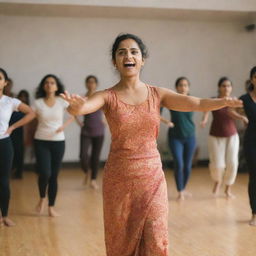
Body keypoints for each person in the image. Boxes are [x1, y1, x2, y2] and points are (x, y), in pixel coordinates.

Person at [61, 34, 242, 255]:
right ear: (115, 61)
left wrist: (222, 102)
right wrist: (74, 107)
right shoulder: (107, 96)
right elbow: (83, 107)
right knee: (121, 240)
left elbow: (196, 103)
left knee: (156, 237)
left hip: (152, 177)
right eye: (122, 52)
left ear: (142, 59)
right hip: (120, 179)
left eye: (134, 51)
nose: (128, 55)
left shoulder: (157, 94)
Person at [34, 74, 74, 217]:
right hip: (41, 141)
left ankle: (51, 206)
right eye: (46, 82)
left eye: (52, 82)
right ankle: (42, 198)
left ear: (57, 86)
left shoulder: (62, 101)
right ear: (43, 86)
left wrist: (63, 126)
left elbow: (74, 114)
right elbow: (32, 118)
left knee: (54, 175)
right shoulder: (37, 102)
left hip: (58, 142)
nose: (49, 85)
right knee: (45, 173)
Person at [201, 77, 248, 198]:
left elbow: (234, 112)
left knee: (232, 163)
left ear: (231, 88)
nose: (226, 88)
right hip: (215, 136)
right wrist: (204, 120)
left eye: (228, 86)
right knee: (218, 165)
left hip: (232, 136)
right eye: (223, 85)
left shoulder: (235, 101)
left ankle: (228, 188)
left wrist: (242, 117)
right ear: (219, 87)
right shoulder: (214, 100)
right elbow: (206, 110)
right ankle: (217, 181)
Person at [0, 68, 35, 226]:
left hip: (4, 144)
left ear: (5, 82)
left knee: (4, 182)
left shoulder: (10, 101)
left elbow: (31, 113)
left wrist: (13, 127)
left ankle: (4, 215)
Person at [161, 77, 196, 200]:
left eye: (185, 85)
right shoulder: (171, 100)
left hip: (190, 136)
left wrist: (205, 119)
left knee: (187, 166)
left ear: (188, 87)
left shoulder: (192, 100)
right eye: (180, 85)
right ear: (176, 87)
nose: (183, 87)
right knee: (179, 164)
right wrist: (166, 121)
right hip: (175, 137)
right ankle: (180, 190)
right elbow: (156, 112)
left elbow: (205, 106)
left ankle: (184, 188)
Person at [76, 75, 105, 189]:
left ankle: (93, 179)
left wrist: (106, 122)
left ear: (96, 84)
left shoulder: (100, 97)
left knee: (95, 157)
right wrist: (79, 123)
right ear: (86, 84)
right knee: (83, 155)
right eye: (88, 82)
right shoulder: (82, 98)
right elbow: (74, 112)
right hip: (86, 131)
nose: (91, 84)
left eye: (93, 82)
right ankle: (86, 171)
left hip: (99, 131)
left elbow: (108, 111)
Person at [239, 66, 256, 226]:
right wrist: (241, 117)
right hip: (251, 141)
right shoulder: (244, 98)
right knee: (254, 176)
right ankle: (254, 213)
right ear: (252, 79)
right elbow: (228, 108)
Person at [9, 90, 30, 179]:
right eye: (21, 96)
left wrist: (25, 137)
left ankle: (19, 173)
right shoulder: (14, 106)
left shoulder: (27, 109)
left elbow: (27, 126)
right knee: (11, 153)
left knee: (19, 154)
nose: (23, 98)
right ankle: (11, 170)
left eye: (25, 96)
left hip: (20, 134)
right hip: (10, 133)